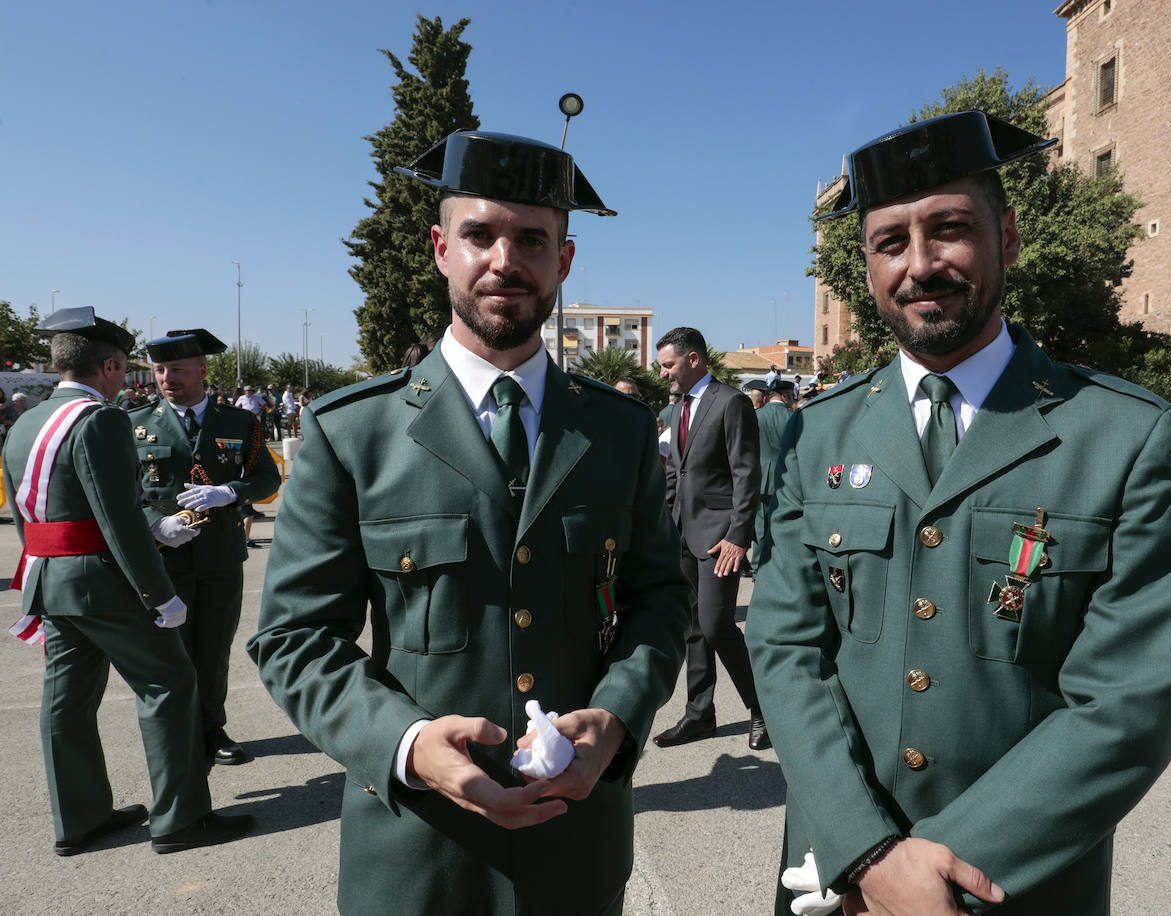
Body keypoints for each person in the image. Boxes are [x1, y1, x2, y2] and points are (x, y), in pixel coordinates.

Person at [746, 111, 1171, 916]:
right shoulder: (820, 431)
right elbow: (785, 648)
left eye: (949, 230)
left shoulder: (1122, 437)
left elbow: (1125, 707)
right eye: (890, 243)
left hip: (1014, 886)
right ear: (867, 264)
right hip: (840, 878)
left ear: (1010, 236)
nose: (919, 265)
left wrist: (946, 869)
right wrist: (869, 852)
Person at [248, 129, 691, 916]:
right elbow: (293, 639)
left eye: (531, 239)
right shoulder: (353, 432)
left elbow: (659, 601)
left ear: (564, 260)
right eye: (479, 233)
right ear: (440, 248)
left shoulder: (618, 431)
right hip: (419, 852)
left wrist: (618, 717)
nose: (504, 260)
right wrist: (410, 745)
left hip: (576, 847)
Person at [2, 307, 252, 856]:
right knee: (170, 684)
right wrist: (160, 594)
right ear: (110, 365)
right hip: (104, 582)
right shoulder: (101, 420)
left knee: (66, 702)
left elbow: (25, 515)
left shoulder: (26, 421)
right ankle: (181, 818)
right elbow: (118, 517)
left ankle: (80, 820)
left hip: (50, 580)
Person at [130, 329, 281, 766]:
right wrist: (155, 524)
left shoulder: (238, 422)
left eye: (176, 368)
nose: (165, 377)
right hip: (162, 558)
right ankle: (179, 734)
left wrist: (230, 492)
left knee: (213, 650)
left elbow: (268, 479)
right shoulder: (134, 423)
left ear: (202, 370)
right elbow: (117, 496)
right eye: (159, 369)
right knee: (169, 651)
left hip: (219, 555)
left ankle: (212, 728)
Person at [653, 326, 766, 751]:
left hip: (720, 538)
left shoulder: (730, 402)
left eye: (669, 365)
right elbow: (674, 473)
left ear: (694, 359)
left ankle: (762, 709)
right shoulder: (677, 408)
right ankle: (700, 715)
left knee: (719, 626)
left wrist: (739, 535)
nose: (663, 374)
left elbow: (746, 472)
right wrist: (663, 525)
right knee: (694, 630)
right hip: (681, 532)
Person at [752, 379, 792, 547]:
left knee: (760, 526)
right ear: (784, 396)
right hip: (786, 478)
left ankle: (758, 567)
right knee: (783, 525)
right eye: (791, 396)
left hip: (759, 476)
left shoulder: (755, 415)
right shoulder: (795, 416)